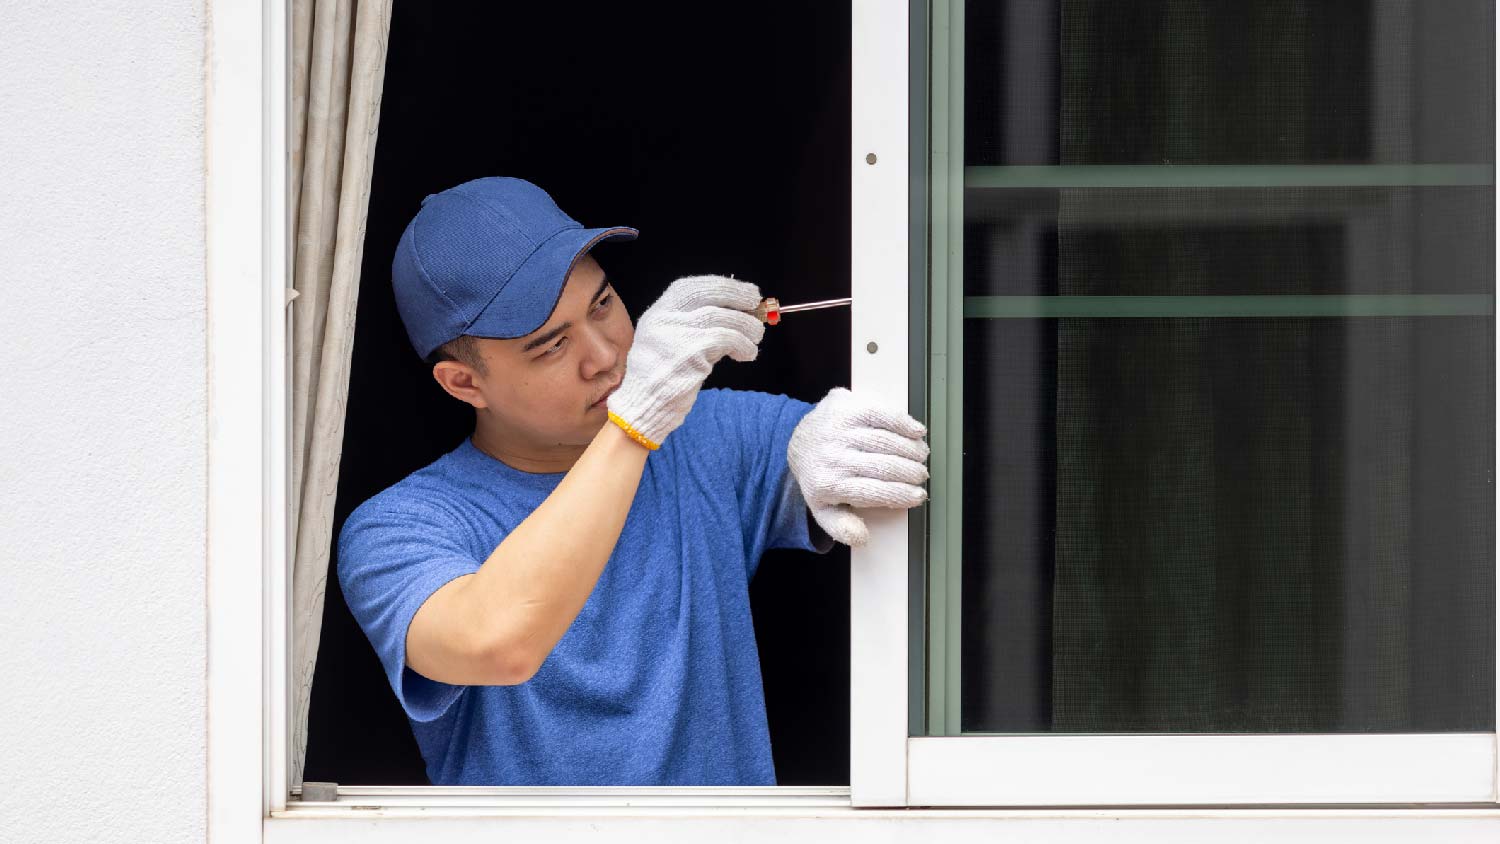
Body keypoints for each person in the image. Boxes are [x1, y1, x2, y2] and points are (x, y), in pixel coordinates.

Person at [337, 176, 930, 786]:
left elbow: (882, 460)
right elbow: (497, 642)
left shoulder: (709, 437)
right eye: (550, 346)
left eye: (601, 305)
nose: (604, 355)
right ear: (465, 384)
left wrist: (840, 440)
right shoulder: (400, 527)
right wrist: (637, 421)